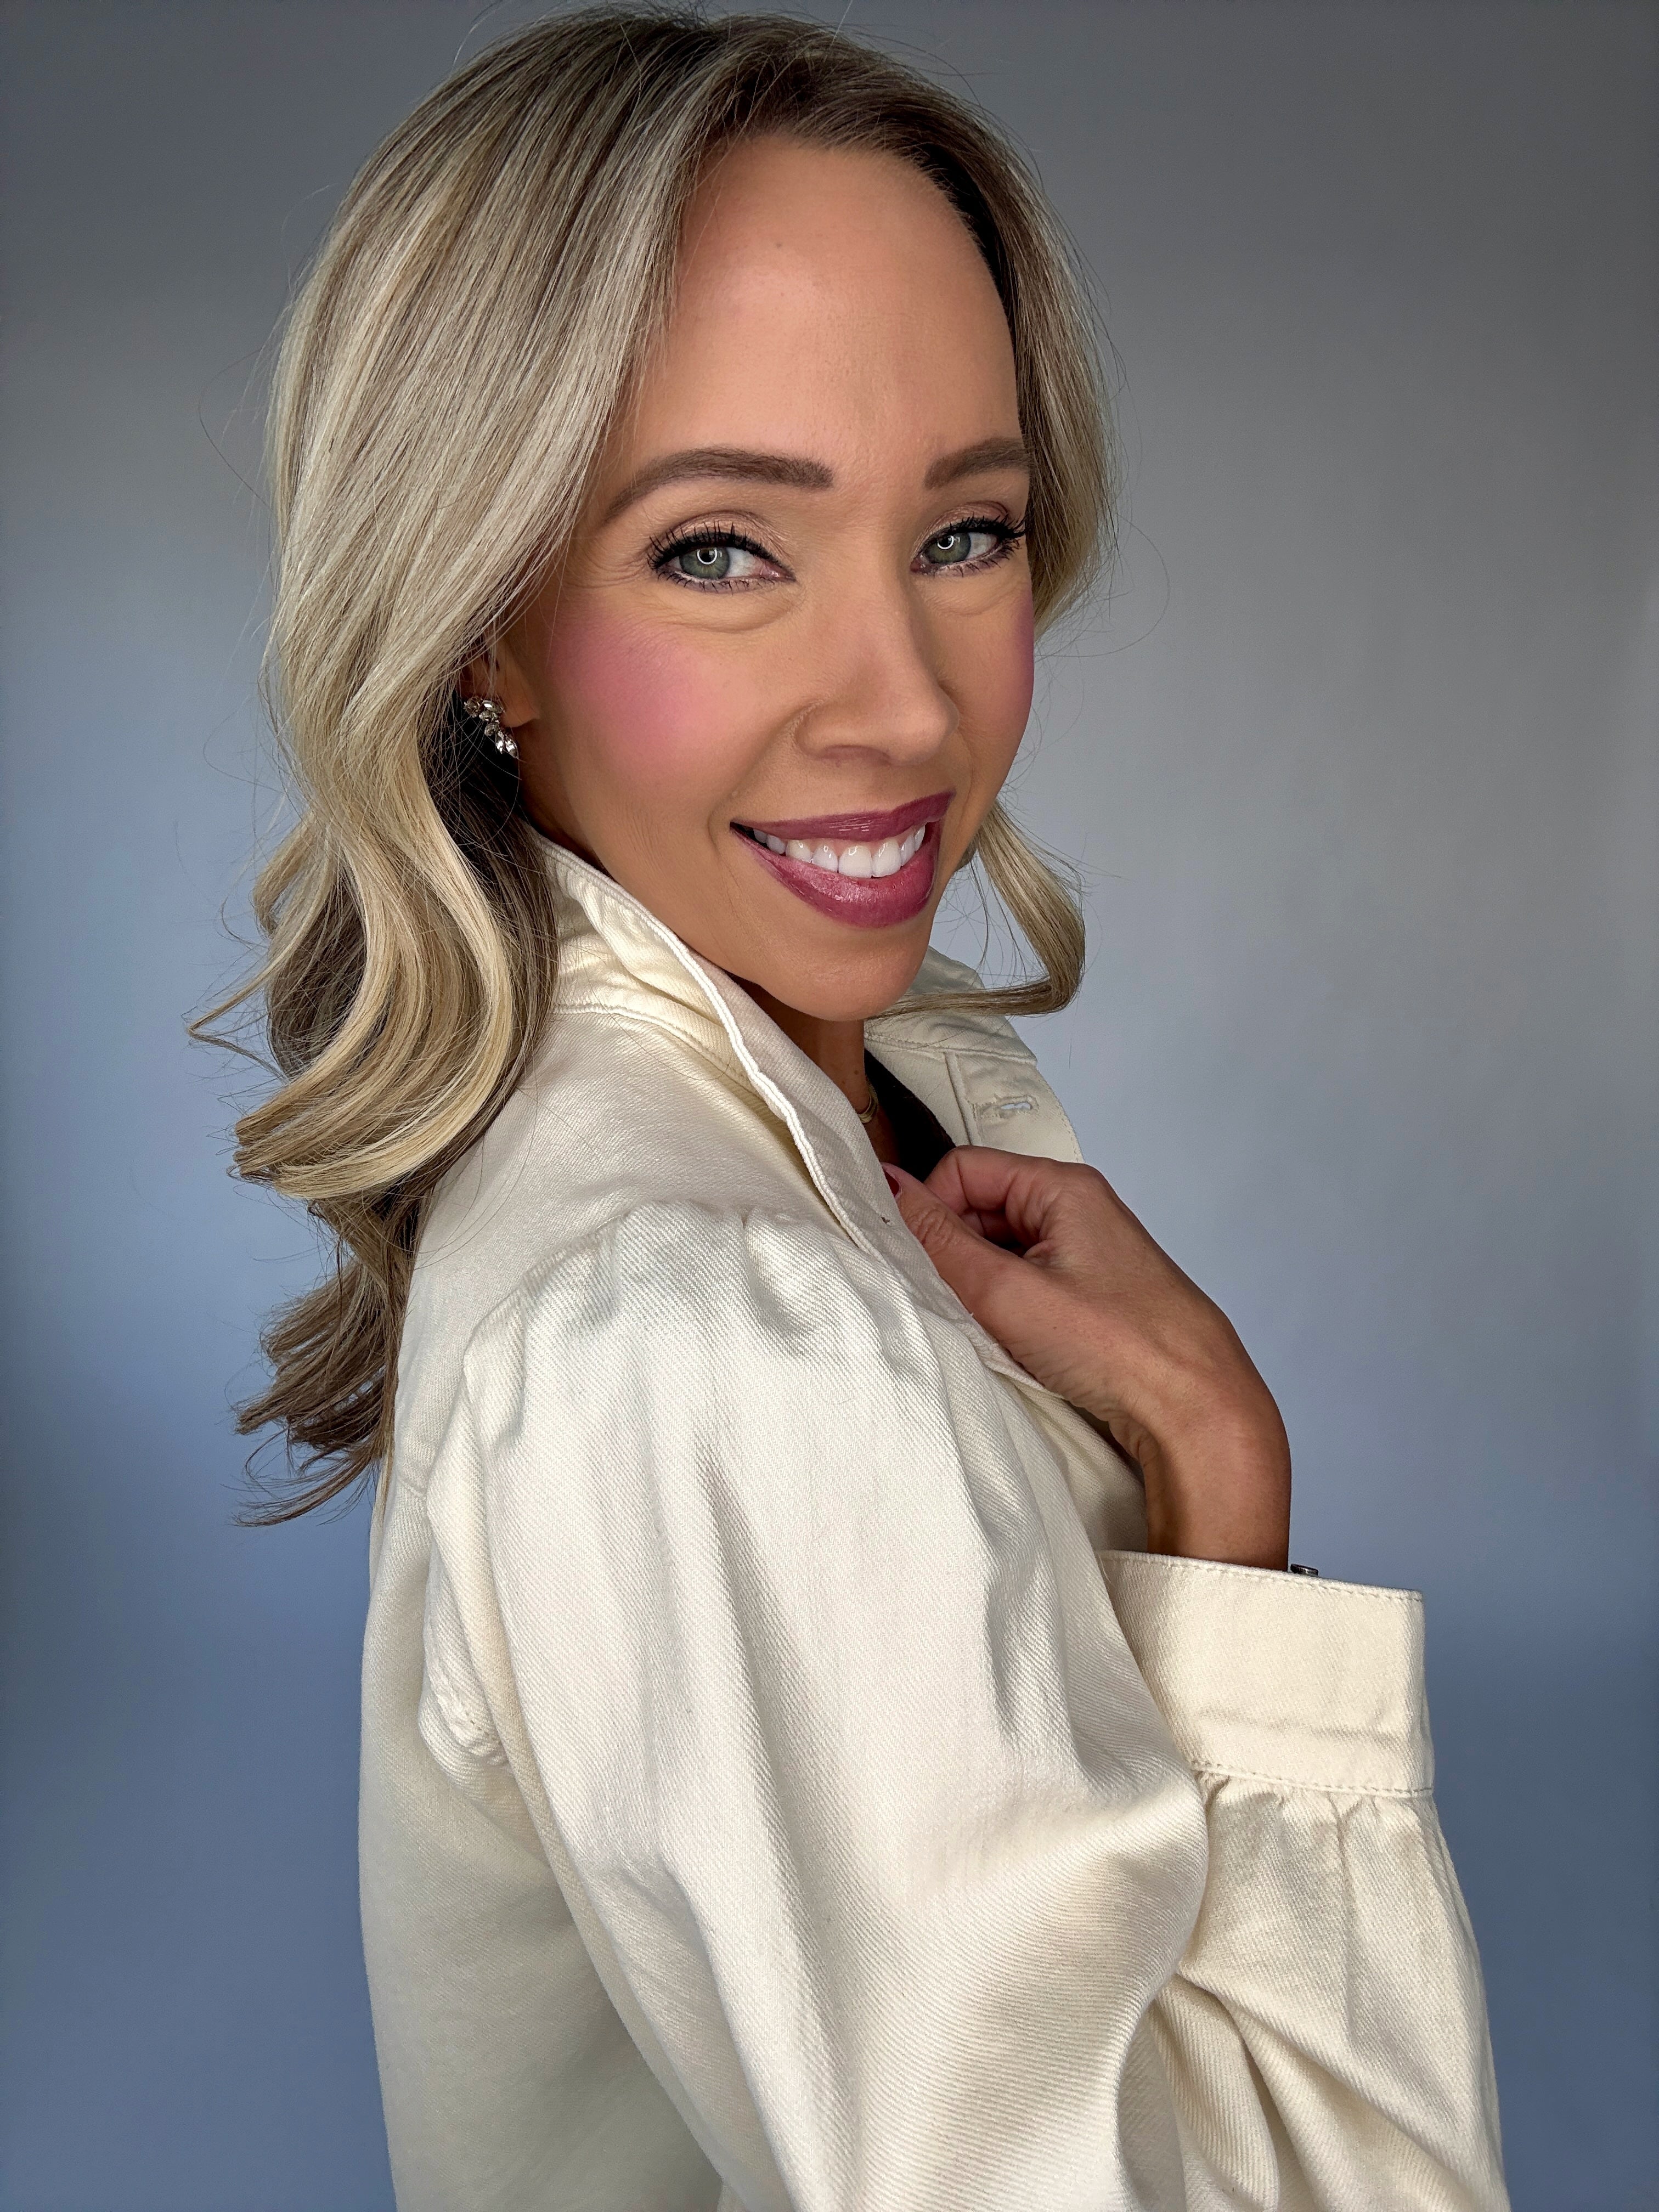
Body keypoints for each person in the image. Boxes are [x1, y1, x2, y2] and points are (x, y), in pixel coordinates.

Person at [210, 10, 1509, 2207]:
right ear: (480, 630)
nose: (906, 706)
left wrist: (1203, 1466)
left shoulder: (841, 1115)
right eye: (723, 549)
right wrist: (1223, 1488)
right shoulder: (716, 1345)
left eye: (967, 531)